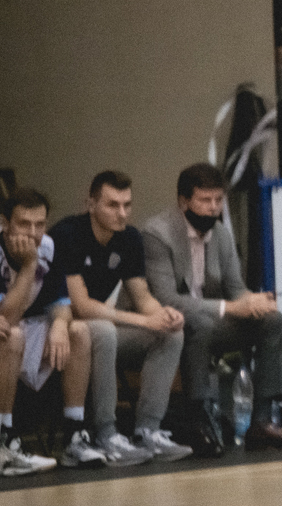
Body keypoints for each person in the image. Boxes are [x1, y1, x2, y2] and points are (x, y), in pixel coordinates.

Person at [143, 163, 282, 451]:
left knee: (274, 321)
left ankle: (262, 421)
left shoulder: (221, 234)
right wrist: (231, 308)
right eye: (205, 200)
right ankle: (199, 418)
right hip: (169, 323)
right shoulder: (157, 234)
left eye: (218, 200)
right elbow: (166, 298)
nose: (213, 208)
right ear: (183, 202)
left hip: (211, 320)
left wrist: (254, 302)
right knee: (201, 324)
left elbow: (235, 289)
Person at [52, 171, 186, 465]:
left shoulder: (130, 238)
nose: (122, 213)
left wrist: (163, 314)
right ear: (90, 204)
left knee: (170, 334)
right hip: (65, 329)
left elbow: (142, 296)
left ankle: (148, 430)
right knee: (104, 330)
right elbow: (81, 306)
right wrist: (143, 321)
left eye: (127, 204)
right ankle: (106, 433)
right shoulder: (68, 234)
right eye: (113, 205)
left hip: (102, 330)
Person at [1, 188, 96, 474]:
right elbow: (8, 317)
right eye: (24, 224)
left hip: (26, 328)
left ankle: (74, 435)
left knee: (78, 331)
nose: (33, 233)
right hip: (8, 332)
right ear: (4, 223)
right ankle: (5, 440)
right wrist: (29, 265)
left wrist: (59, 325)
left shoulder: (49, 247)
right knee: (12, 335)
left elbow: (62, 304)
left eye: (39, 224)